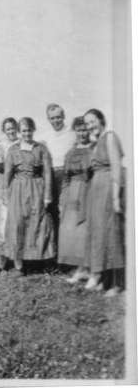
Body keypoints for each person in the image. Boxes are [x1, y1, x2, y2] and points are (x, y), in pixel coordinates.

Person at [4, 117, 55, 276]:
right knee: (18, 224)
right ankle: (18, 265)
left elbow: (47, 173)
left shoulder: (41, 149)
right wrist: (6, 194)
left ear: (33, 130)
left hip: (36, 188)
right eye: (23, 130)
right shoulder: (12, 150)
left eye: (29, 130)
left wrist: (47, 196)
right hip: (18, 188)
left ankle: (37, 261)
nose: (27, 133)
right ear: (19, 132)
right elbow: (7, 174)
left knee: (37, 223)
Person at [83, 108, 125, 296]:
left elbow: (116, 167)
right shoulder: (96, 142)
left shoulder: (110, 137)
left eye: (92, 121)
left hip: (108, 188)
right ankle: (105, 279)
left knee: (111, 233)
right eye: (87, 123)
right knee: (99, 234)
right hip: (96, 190)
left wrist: (116, 198)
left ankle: (117, 283)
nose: (90, 125)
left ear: (101, 120)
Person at [58, 117, 93, 282]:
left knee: (85, 229)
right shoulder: (70, 152)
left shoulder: (95, 149)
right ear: (75, 132)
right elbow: (65, 177)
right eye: (79, 130)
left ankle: (89, 268)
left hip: (89, 191)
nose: (82, 133)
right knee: (71, 230)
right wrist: (63, 197)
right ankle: (78, 268)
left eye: (85, 129)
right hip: (72, 191)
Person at [37, 103, 75, 255]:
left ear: (64, 116)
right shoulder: (45, 137)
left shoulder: (72, 133)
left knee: (68, 212)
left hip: (67, 176)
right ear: (48, 119)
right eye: (52, 118)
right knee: (52, 214)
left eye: (58, 117)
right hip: (51, 176)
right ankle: (56, 253)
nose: (56, 120)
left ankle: (69, 253)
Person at [0, 117, 19, 270]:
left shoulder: (22, 143)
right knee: (2, 224)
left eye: (13, 128)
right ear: (4, 131)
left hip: (19, 185)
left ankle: (18, 258)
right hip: (4, 186)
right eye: (8, 129)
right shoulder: (0, 145)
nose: (11, 131)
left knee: (17, 223)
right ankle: (1, 260)